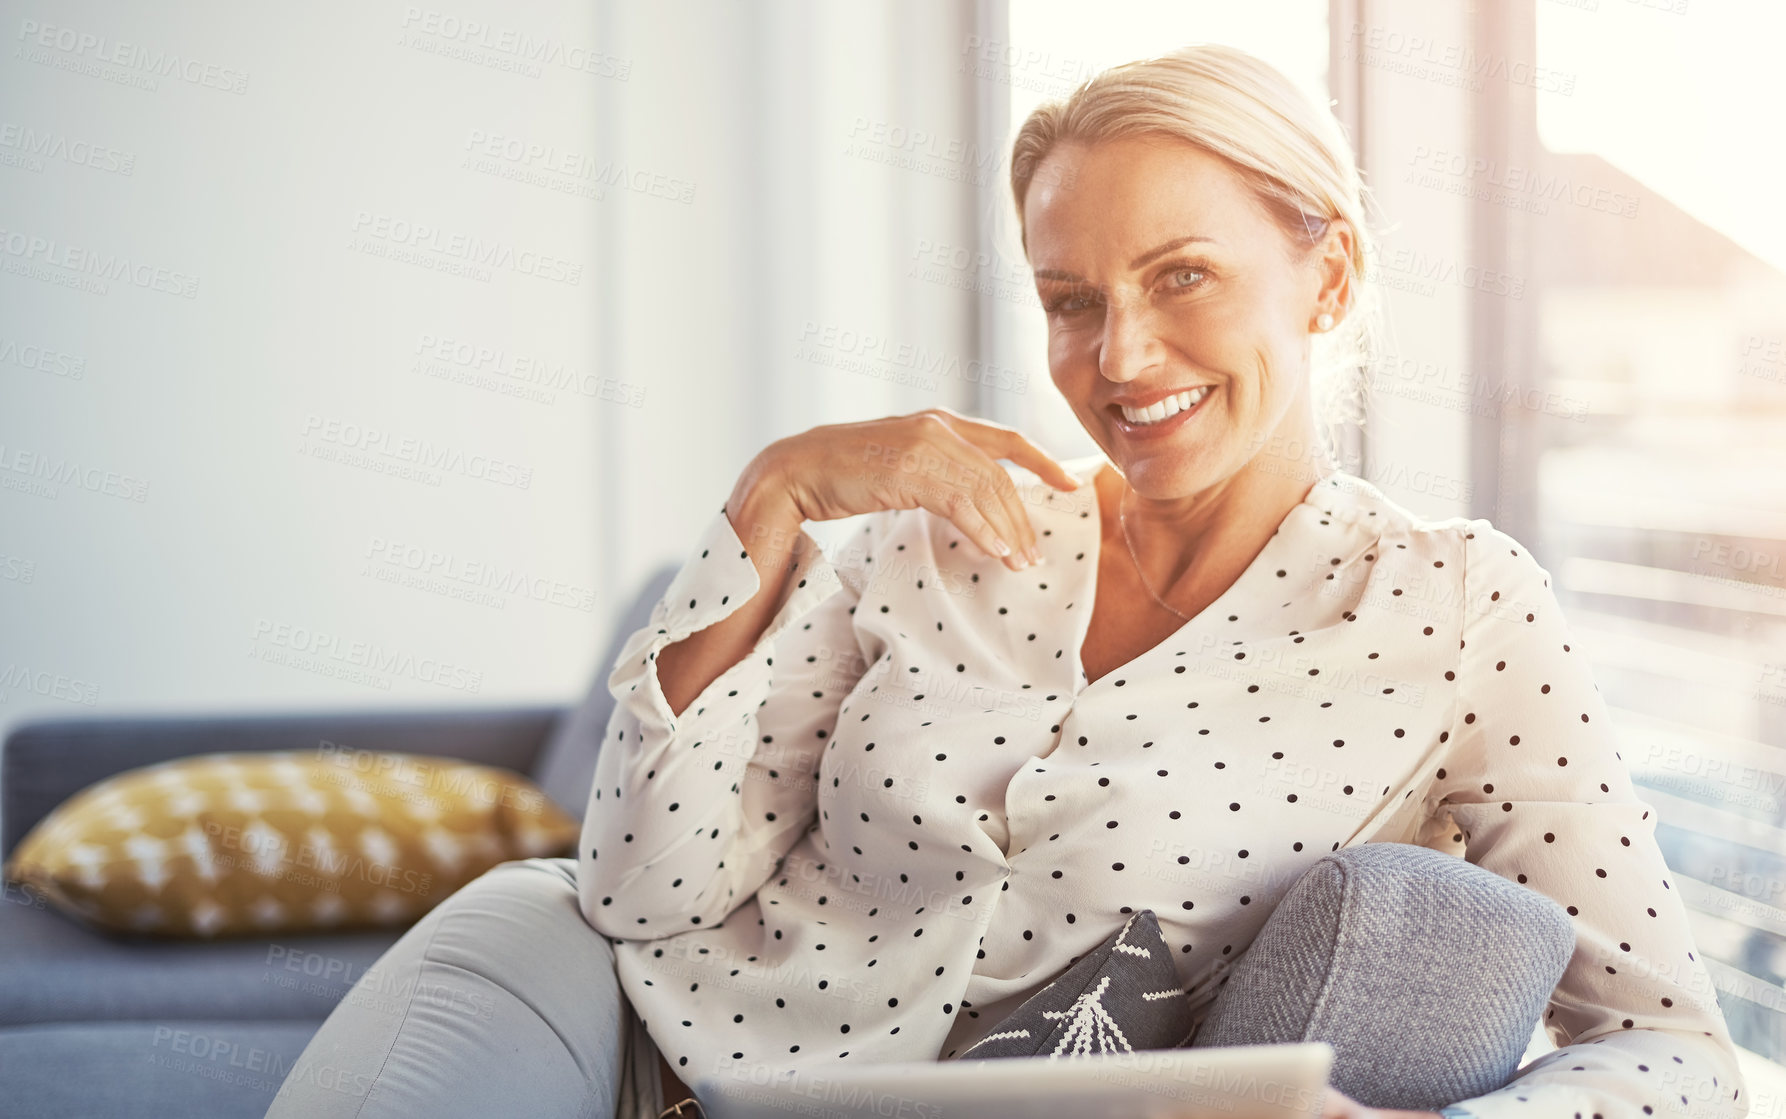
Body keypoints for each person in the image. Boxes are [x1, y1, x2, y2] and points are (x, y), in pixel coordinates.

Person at [266, 44, 1748, 1119]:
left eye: (1180, 278)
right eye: (1070, 300)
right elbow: (638, 890)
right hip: (621, 1026)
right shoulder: (939, 542)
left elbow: (1673, 1051)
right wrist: (774, 496)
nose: (1118, 360)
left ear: (1330, 278)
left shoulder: (1452, 609)